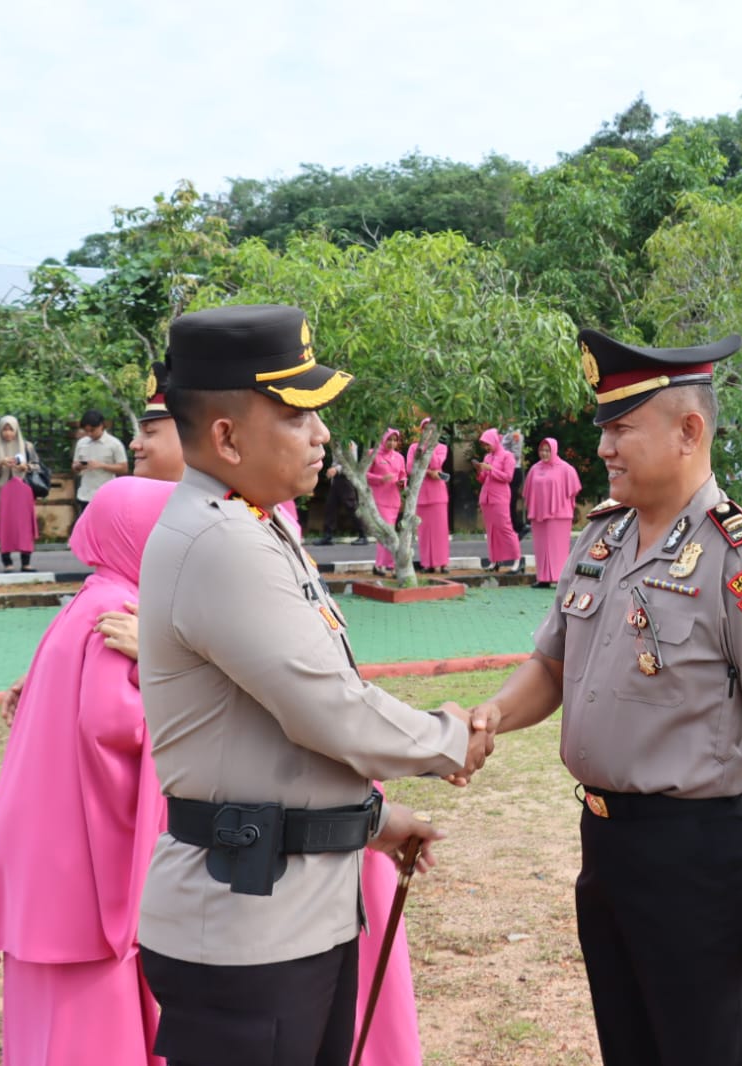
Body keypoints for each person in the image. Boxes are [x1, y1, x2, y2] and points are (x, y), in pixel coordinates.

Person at [136, 304, 492, 1066]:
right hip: (246, 930)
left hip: (285, 910)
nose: (322, 434)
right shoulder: (221, 539)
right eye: (298, 414)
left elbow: (268, 745)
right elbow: (325, 710)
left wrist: (372, 821)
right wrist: (450, 739)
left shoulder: (246, 522)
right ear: (227, 437)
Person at [472, 329, 742, 1066]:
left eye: (622, 428)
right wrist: (493, 716)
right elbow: (552, 665)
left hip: (697, 857)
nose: (603, 447)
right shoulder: (602, 538)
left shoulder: (740, 559)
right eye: (604, 429)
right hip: (605, 844)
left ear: (688, 431)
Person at [0, 476, 178, 1066]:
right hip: (84, 866)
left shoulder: (93, 596)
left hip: (44, 863)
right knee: (92, 1032)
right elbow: (120, 731)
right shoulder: (124, 612)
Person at [0, 416, 40, 573]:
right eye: (5, 429)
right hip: (4, 492)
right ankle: (7, 562)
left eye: (11, 429)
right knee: (5, 526)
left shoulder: (27, 447)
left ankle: (26, 562)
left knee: (25, 526)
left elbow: (37, 466)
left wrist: (25, 467)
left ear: (16, 430)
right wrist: (0, 463)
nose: (8, 433)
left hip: (23, 492)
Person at [523, 438, 581, 589]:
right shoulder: (535, 469)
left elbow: (573, 490)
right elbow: (527, 492)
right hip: (539, 515)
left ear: (554, 450)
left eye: (547, 450)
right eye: (542, 450)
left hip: (559, 515)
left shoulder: (565, 469)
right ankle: (543, 578)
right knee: (541, 546)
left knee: (557, 547)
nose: (544, 453)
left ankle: (560, 578)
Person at [406, 421, 451, 575]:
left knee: (440, 531)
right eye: (425, 429)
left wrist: (428, 449)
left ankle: (441, 563)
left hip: (438, 494)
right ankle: (426, 563)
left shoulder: (441, 448)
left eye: (431, 430)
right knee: (424, 531)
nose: (428, 432)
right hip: (421, 493)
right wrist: (427, 472)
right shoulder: (414, 447)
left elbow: (437, 463)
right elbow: (410, 468)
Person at [474, 428, 521, 573]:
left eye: (488, 444)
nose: (487, 447)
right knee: (491, 530)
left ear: (495, 441)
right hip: (486, 498)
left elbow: (508, 477)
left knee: (505, 527)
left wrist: (491, 469)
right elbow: (483, 479)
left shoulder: (508, 456)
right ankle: (495, 561)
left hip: (499, 497)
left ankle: (517, 560)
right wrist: (479, 470)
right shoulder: (487, 457)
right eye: (484, 445)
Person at [71, 409, 129, 528]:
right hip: (85, 493)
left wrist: (102, 465)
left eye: (92, 430)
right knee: (87, 526)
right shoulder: (82, 443)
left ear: (101, 426)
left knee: (105, 526)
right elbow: (74, 465)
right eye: (86, 431)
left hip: (106, 494)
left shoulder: (114, 444)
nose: (90, 434)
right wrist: (78, 466)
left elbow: (124, 468)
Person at [366, 429, 407, 577]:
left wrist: (403, 483)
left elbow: (403, 474)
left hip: (394, 499)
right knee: (385, 532)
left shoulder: (399, 458)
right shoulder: (373, 453)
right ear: (384, 439)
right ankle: (381, 565)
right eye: (389, 440)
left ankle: (388, 564)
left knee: (390, 532)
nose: (392, 443)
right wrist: (379, 479)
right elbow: (364, 473)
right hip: (379, 498)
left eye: (395, 440)